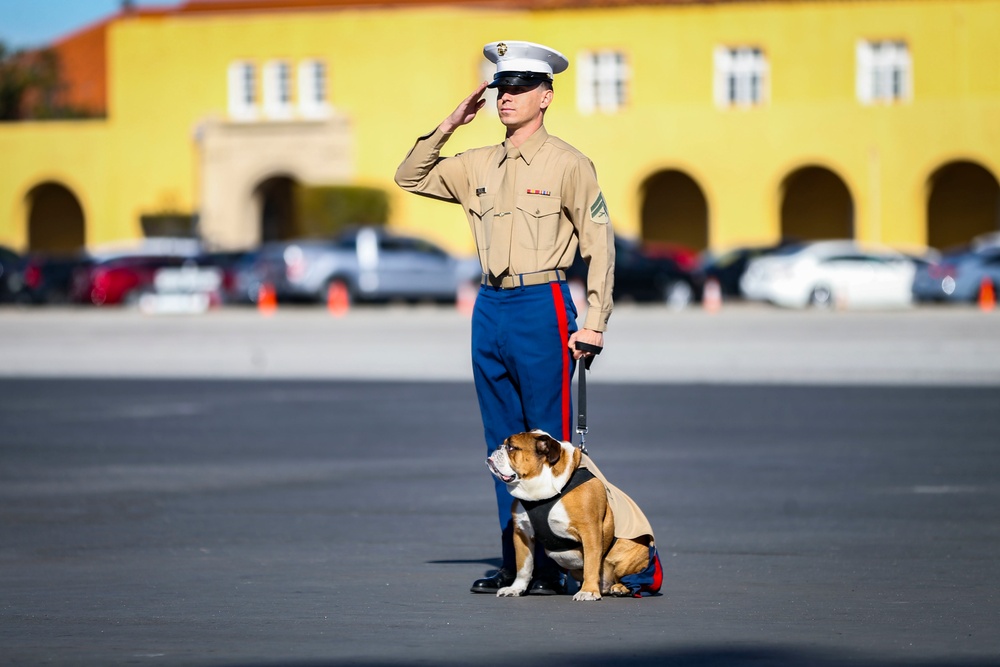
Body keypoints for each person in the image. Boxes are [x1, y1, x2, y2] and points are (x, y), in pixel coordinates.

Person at [394, 40, 615, 595]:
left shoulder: (570, 163)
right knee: (502, 447)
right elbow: (409, 175)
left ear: (546, 96)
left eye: (519, 88)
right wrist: (450, 124)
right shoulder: (476, 164)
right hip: (489, 307)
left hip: (542, 305)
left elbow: (600, 243)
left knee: (548, 442)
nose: (506, 97)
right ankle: (516, 562)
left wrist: (595, 319)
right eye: (500, 88)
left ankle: (558, 562)